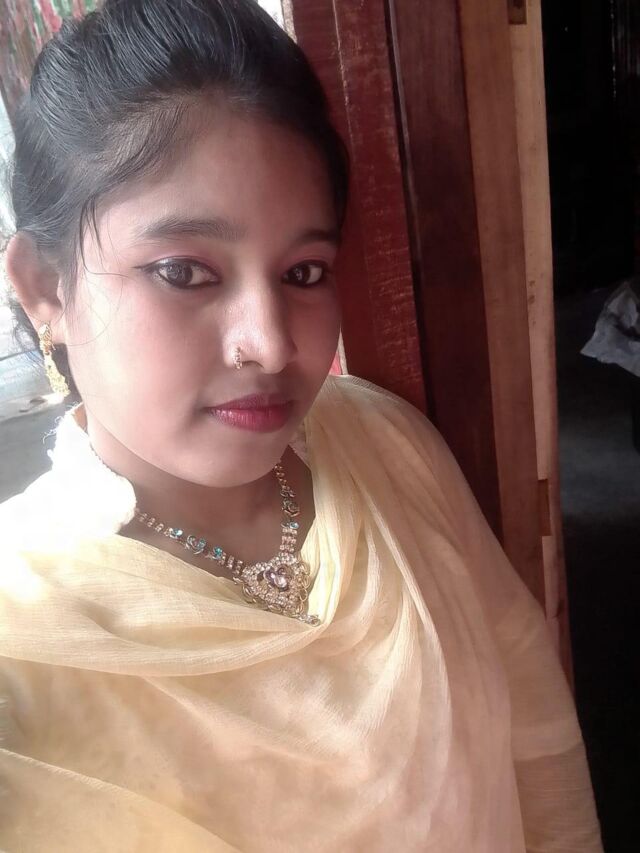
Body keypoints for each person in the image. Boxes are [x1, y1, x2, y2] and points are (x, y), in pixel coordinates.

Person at [0, 1, 602, 850]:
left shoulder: (385, 443)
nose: (273, 342)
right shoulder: (26, 636)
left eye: (305, 271)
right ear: (44, 288)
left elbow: (534, 733)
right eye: (184, 271)